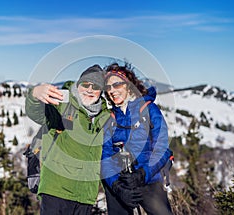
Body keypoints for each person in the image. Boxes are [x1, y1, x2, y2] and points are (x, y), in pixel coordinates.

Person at [25, 64, 110, 215]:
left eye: (95, 86)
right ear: (78, 85)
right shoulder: (63, 104)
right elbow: (38, 114)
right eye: (85, 84)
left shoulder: (104, 117)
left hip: (86, 195)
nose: (89, 89)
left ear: (100, 91)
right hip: (56, 190)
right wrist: (34, 94)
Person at [101, 62, 173, 215]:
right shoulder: (109, 118)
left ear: (128, 85)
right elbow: (105, 156)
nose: (112, 91)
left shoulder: (148, 109)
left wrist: (143, 174)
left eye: (117, 85)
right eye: (108, 88)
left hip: (149, 178)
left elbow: (162, 149)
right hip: (120, 182)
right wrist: (116, 186)